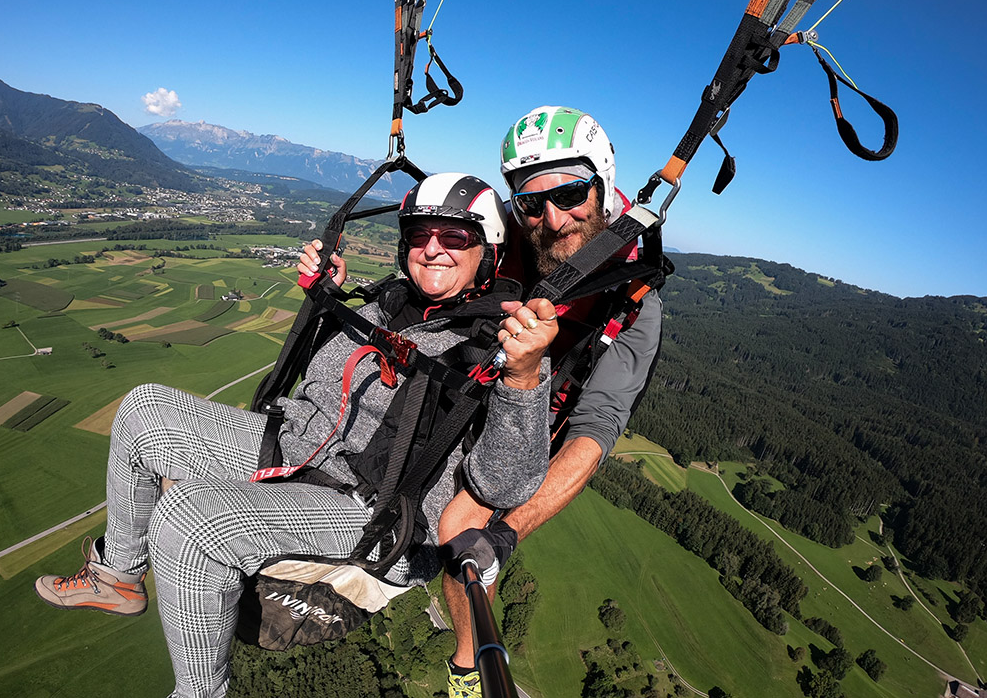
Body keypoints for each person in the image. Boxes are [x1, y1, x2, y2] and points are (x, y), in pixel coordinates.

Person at [34, 172, 560, 698]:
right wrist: (326, 296)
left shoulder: (507, 344)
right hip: (305, 444)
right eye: (419, 234)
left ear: (488, 251)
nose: (433, 249)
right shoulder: (391, 301)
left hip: (378, 510)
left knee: (189, 519)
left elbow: (507, 485)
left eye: (455, 237)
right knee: (143, 411)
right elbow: (323, 380)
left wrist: (522, 379)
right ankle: (118, 577)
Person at [437, 107, 664, 697]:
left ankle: (467, 665)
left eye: (570, 195)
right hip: (470, 386)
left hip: (534, 420)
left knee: (462, 533)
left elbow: (595, 430)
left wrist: (508, 532)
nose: (554, 219)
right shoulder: (513, 237)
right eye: (532, 204)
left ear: (601, 187)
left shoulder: (634, 299)